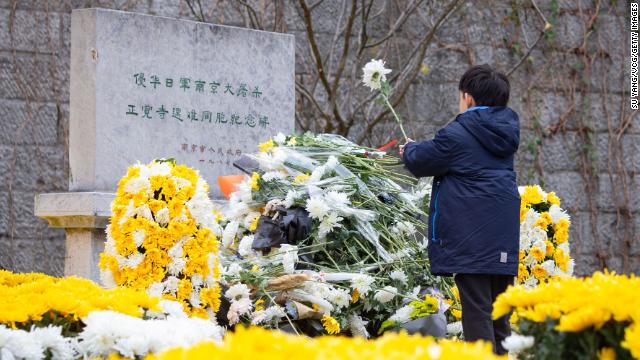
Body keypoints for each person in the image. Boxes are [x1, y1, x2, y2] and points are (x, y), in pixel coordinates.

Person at [399, 64, 520, 355]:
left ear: (467, 98)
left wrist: (409, 149)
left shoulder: (459, 131)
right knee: (499, 313)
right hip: (502, 236)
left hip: (472, 238)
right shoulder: (507, 131)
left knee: (477, 312)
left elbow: (423, 161)